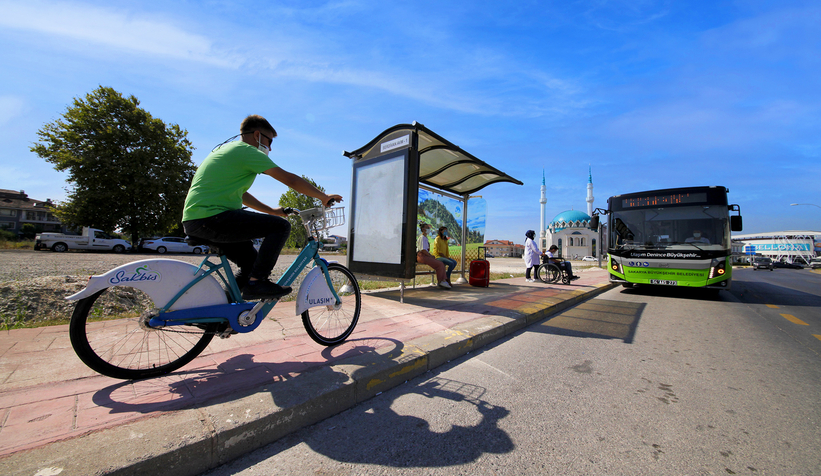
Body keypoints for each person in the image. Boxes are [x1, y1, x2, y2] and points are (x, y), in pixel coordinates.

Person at [182, 115, 343, 300]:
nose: (270, 147)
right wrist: (323, 196)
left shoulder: (228, 150)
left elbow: (241, 194)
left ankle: (221, 319)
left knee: (251, 264)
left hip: (201, 219)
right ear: (257, 135)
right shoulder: (246, 151)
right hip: (211, 218)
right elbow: (290, 179)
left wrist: (272, 211)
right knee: (280, 227)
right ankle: (257, 283)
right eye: (269, 141)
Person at [416, 223, 451, 289]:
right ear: (423, 229)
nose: (429, 229)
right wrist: (430, 256)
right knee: (440, 264)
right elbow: (423, 250)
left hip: (424, 256)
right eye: (427, 228)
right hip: (422, 256)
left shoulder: (424, 237)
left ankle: (443, 280)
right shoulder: (422, 238)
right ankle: (441, 281)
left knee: (441, 264)